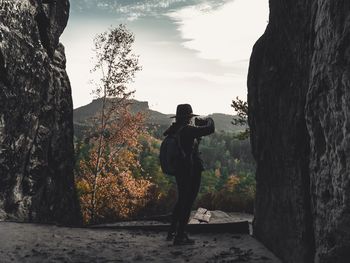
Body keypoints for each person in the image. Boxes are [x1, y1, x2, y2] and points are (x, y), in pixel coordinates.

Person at [163, 104, 215, 245]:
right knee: (187, 202)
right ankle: (180, 236)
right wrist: (209, 119)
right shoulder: (187, 129)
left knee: (181, 200)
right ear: (188, 117)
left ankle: (172, 231)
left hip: (180, 170)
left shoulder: (174, 129)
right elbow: (210, 129)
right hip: (190, 170)